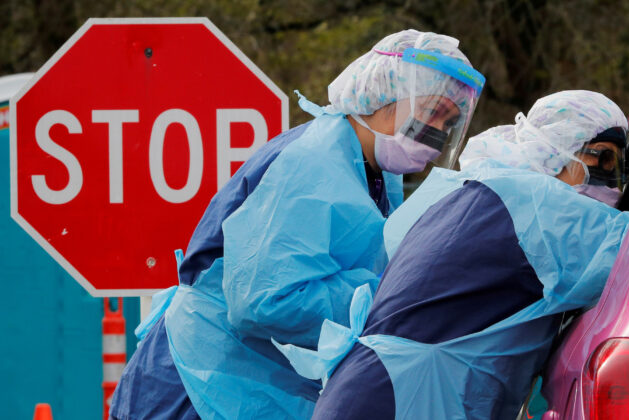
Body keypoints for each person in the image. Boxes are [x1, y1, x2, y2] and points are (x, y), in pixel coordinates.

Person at [109, 29, 485, 420]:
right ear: (383, 92)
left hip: (241, 381)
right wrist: (380, 297)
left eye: (450, 120)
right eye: (431, 111)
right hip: (194, 384)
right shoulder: (314, 162)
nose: (438, 131)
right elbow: (263, 301)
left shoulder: (371, 169)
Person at [274, 90, 629, 420]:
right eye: (600, 159)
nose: (613, 184)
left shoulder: (488, 188)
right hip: (403, 399)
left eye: (619, 167)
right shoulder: (538, 206)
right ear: (557, 149)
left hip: (379, 389)